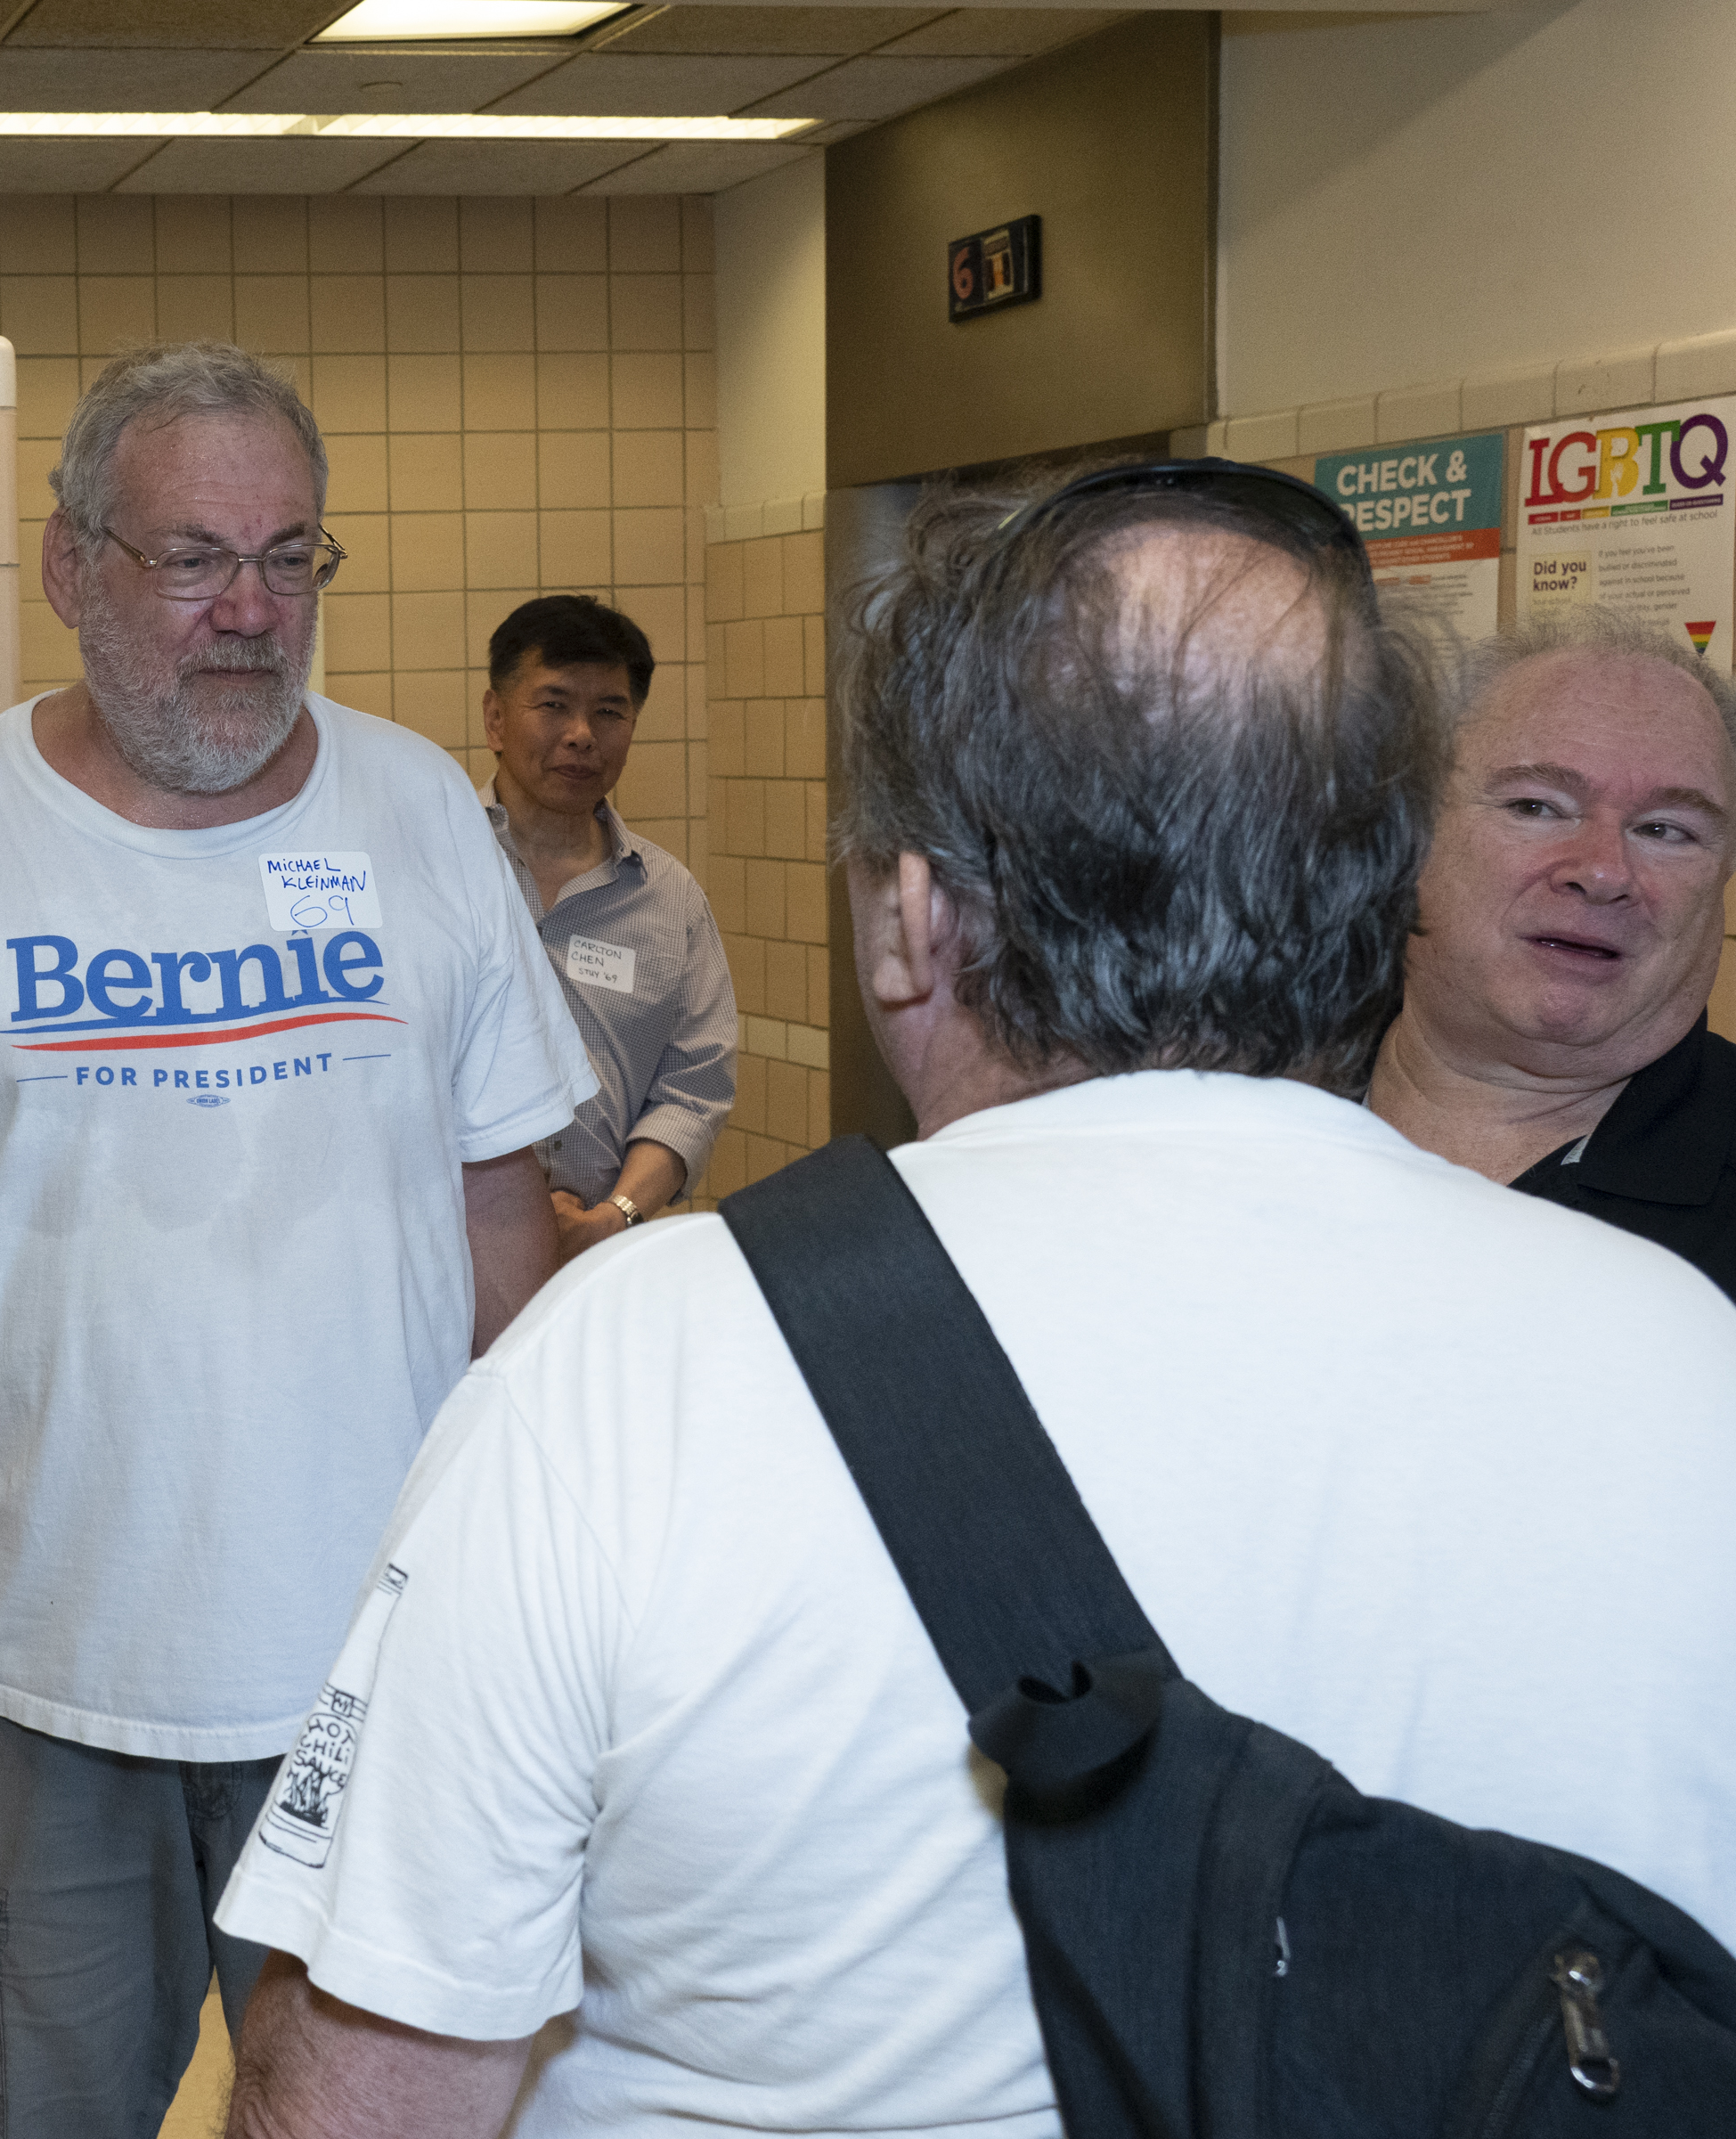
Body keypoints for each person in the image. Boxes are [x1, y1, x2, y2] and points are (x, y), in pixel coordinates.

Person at [211, 464, 1736, 2136]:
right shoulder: (1682, 1360)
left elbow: (370, 2089)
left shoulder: (645, 1365)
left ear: (911, 921)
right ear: (1381, 896)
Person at [0, 341, 594, 2139]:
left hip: (379, 1663)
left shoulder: (418, 813)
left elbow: (496, 1198)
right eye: (194, 558)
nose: (250, 611)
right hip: (46, 1677)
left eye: (289, 559)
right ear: (71, 567)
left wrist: (552, 1543)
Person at [1367, 605, 1736, 1299]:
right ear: (1409, 831)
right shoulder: (1229, 1097)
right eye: (1536, 807)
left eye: (1665, 829)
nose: (1602, 871)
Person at [475, 593, 735, 1256]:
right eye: (553, 705)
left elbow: (693, 1087)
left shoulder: (669, 897)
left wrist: (612, 1217)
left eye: (610, 712)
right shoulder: (432, 866)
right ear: (497, 718)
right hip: (450, 1250)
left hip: (604, 1253)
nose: (582, 734)